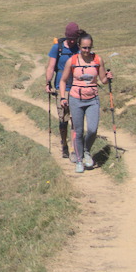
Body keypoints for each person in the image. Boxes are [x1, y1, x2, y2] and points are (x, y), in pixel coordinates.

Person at [59, 32, 114, 173]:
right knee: (78, 132)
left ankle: (86, 151)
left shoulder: (97, 60)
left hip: (92, 99)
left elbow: (103, 80)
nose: (87, 51)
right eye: (84, 48)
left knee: (92, 129)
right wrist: (63, 97)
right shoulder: (72, 61)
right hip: (76, 99)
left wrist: (108, 77)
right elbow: (63, 80)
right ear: (79, 46)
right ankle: (79, 160)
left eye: (89, 48)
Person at [44, 22, 81, 158]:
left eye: (74, 38)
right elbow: (50, 67)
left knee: (74, 118)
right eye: (70, 38)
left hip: (77, 87)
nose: (72, 41)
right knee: (63, 119)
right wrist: (48, 82)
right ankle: (64, 143)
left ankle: (73, 147)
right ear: (66, 36)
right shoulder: (57, 48)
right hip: (61, 88)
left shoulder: (80, 48)